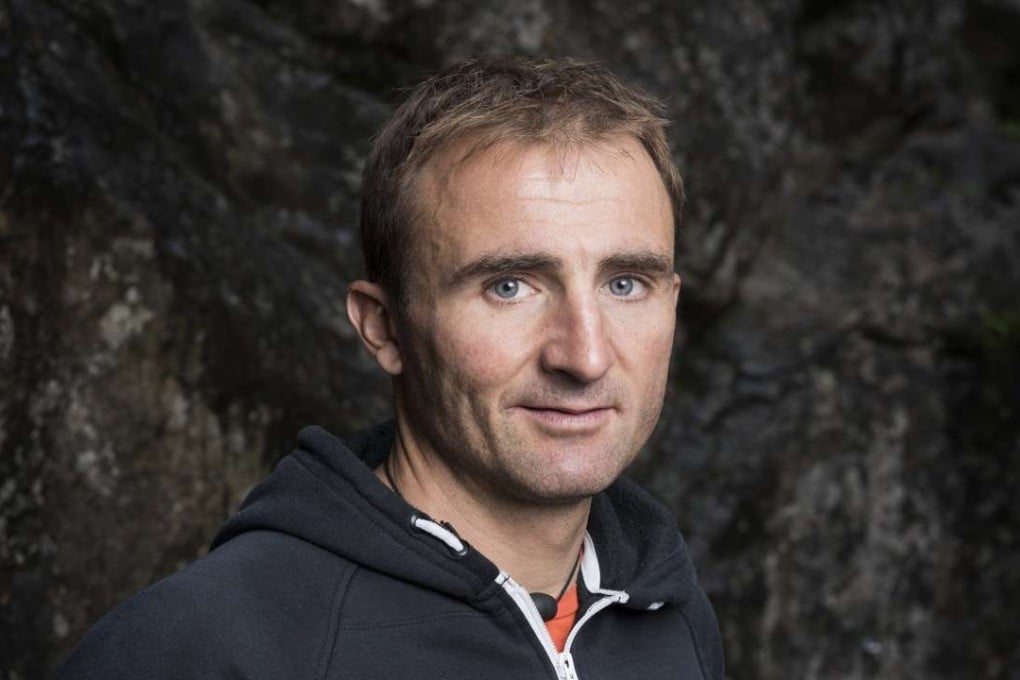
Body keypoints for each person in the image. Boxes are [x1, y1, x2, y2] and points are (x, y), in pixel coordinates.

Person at [60, 56, 724, 680]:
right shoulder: (208, 646)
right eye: (510, 287)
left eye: (626, 284)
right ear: (383, 327)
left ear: (671, 302)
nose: (585, 356)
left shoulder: (670, 617)